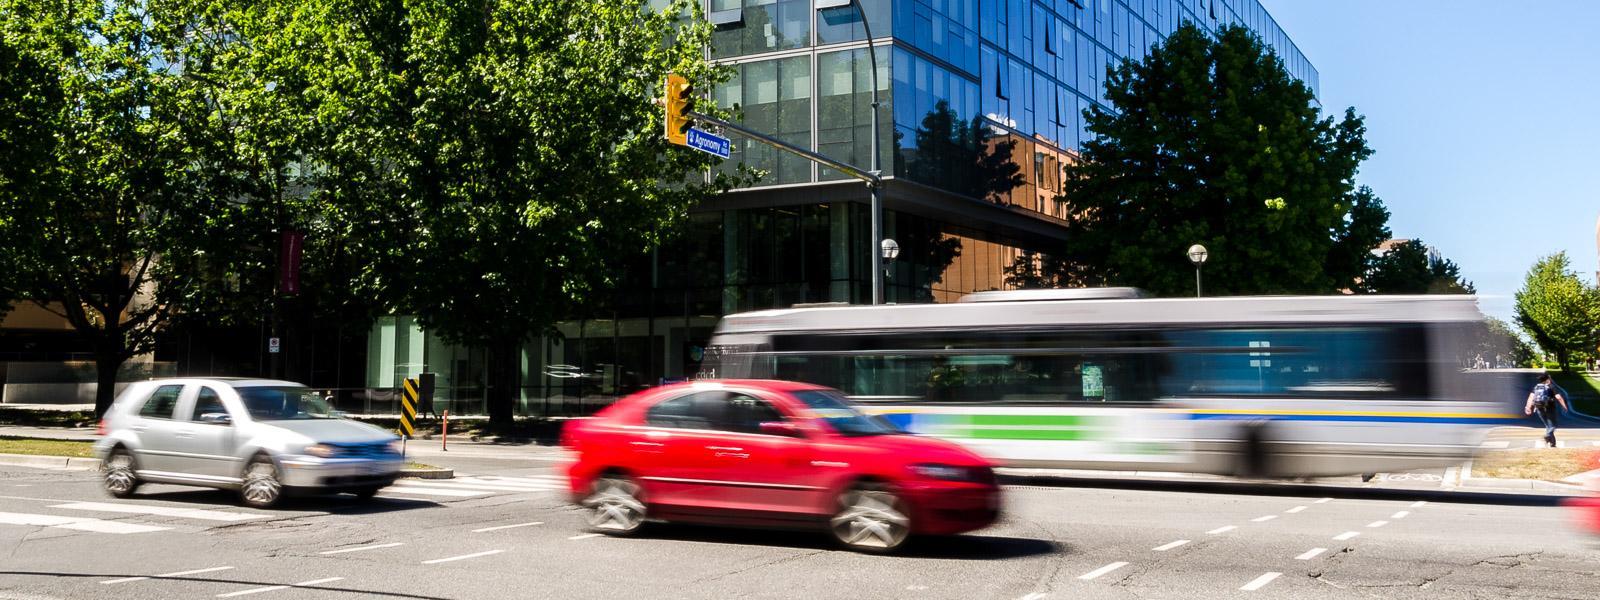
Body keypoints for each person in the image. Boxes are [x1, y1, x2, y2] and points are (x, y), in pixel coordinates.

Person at [1524, 373, 1570, 448]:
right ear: (1548, 379)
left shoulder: (1536, 387)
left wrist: (1528, 407)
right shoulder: (1551, 386)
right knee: (1553, 426)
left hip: (1539, 408)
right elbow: (1558, 397)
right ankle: (1547, 436)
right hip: (1550, 408)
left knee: (1548, 426)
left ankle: (1552, 443)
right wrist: (1565, 407)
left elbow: (1531, 397)